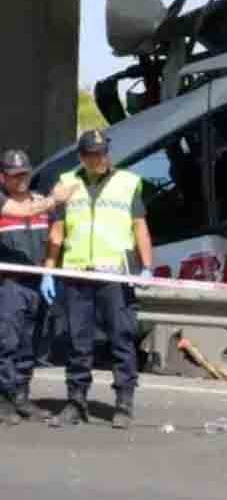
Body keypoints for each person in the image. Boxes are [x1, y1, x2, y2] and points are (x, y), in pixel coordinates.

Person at [45, 130, 153, 430]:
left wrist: (147, 266)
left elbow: (139, 226)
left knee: (121, 338)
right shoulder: (67, 183)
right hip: (77, 274)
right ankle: (76, 402)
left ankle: (123, 403)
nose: (101, 158)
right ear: (82, 156)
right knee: (78, 342)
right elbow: (58, 230)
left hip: (115, 275)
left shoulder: (127, 183)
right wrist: (50, 268)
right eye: (94, 154)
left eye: (104, 152)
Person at [0, 150, 74, 425]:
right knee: (6, 342)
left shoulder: (41, 203)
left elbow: (55, 234)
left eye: (25, 174)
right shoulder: (5, 202)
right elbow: (22, 211)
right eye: (15, 175)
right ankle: (3, 398)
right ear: (3, 177)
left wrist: (49, 272)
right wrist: (55, 199)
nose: (21, 179)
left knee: (30, 344)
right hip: (8, 285)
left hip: (36, 284)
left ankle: (21, 395)